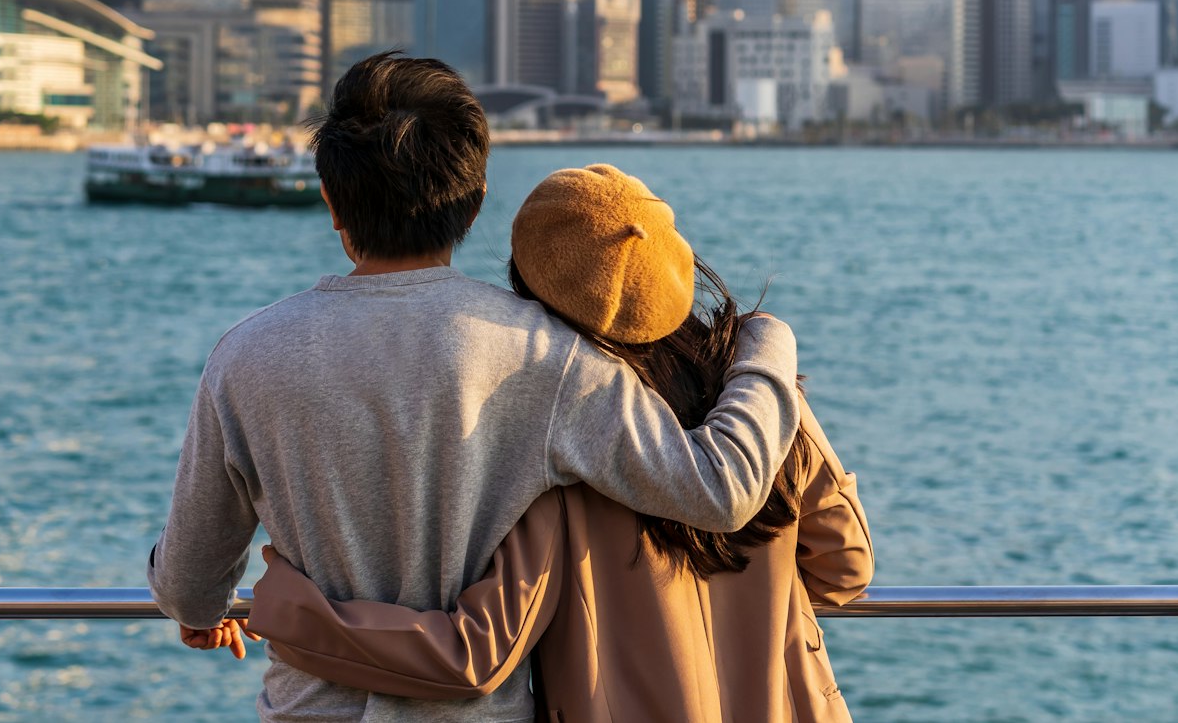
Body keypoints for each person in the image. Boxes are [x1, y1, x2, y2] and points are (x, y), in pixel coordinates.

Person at [149, 54, 803, 723]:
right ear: (477, 198)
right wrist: (766, 341)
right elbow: (720, 489)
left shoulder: (247, 356)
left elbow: (188, 584)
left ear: (330, 197)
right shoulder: (543, 353)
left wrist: (202, 611)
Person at [246, 162, 874, 721]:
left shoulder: (559, 440)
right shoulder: (761, 399)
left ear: (529, 285)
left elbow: (473, 654)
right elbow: (846, 567)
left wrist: (287, 609)